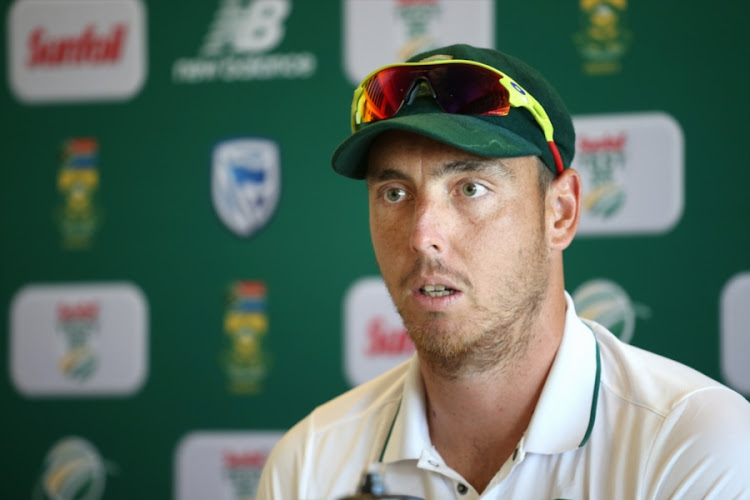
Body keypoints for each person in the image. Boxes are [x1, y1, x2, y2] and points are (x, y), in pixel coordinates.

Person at [256, 44, 750, 499]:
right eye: (395, 193)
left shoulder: (697, 443)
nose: (422, 236)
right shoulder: (308, 464)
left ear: (560, 213)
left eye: (471, 188)